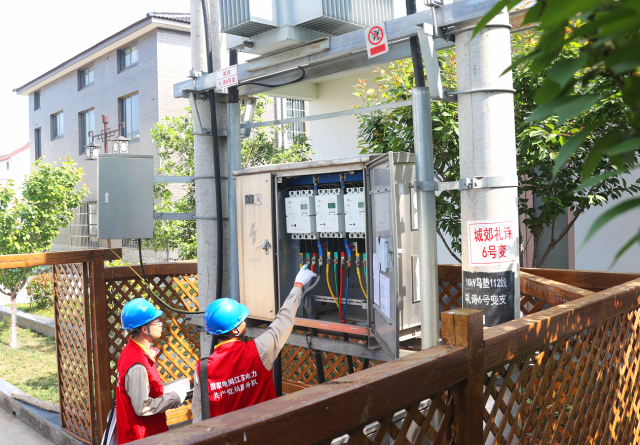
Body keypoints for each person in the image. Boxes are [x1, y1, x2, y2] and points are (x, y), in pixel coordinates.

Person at [192, 266, 317, 420]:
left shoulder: (202, 369)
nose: (245, 321)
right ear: (235, 330)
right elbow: (283, 320)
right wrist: (298, 285)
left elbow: (199, 414)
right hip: (263, 430)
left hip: (226, 433)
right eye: (241, 320)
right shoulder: (259, 350)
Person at [115, 299, 187, 444]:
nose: (161, 324)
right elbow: (143, 407)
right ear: (145, 329)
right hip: (143, 437)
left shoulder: (132, 351)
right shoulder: (137, 364)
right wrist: (173, 398)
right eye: (156, 321)